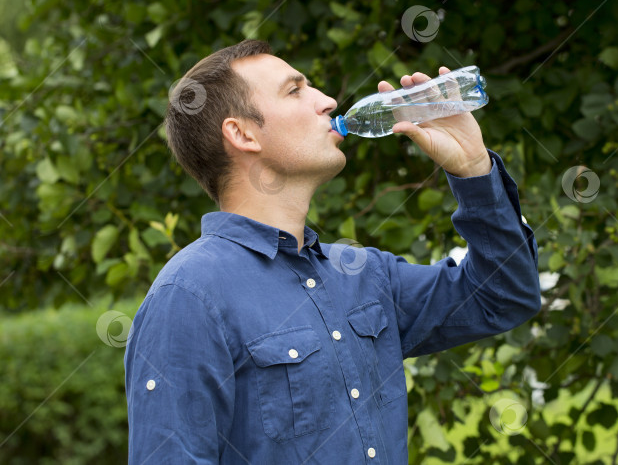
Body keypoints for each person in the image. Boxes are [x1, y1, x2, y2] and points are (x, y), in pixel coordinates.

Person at [124, 39, 542, 464]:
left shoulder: (363, 274)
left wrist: (473, 171)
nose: (327, 101)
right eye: (295, 90)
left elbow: (503, 297)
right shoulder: (189, 296)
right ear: (242, 133)